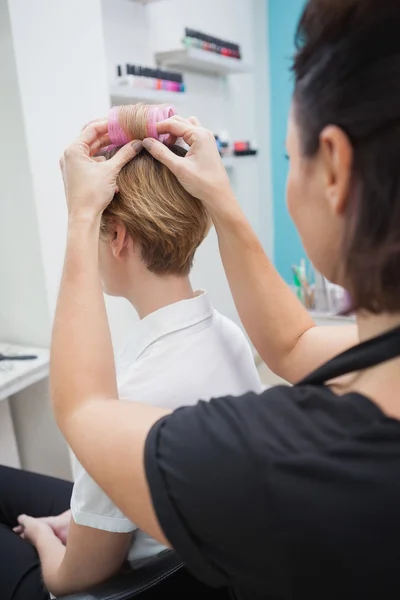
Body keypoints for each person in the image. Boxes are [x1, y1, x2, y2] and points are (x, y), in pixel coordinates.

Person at [19, 0, 400, 598]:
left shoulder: (283, 452)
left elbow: (87, 411)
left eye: (287, 156)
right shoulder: (227, 335)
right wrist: (221, 200)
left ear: (334, 169)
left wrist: (78, 215)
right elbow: (294, 343)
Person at [0, 113, 262, 600]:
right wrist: (77, 517)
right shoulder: (229, 337)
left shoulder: (128, 400)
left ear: (117, 236)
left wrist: (40, 534)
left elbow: (71, 578)